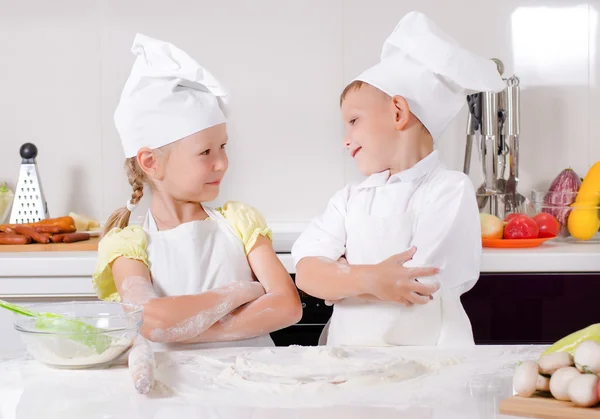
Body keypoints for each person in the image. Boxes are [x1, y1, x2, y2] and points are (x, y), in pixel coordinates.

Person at [292, 11, 506, 347]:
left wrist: (344, 276)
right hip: (349, 368)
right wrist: (371, 278)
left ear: (397, 112)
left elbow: (416, 283)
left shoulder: (449, 190)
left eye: (353, 120)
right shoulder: (350, 199)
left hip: (427, 368)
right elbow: (306, 273)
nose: (345, 139)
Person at [92, 33, 302, 348]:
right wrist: (237, 293)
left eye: (223, 147)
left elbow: (287, 307)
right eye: (206, 153)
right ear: (151, 162)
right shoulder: (127, 245)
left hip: (254, 385)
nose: (222, 163)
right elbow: (152, 320)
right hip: (177, 390)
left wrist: (190, 330)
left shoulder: (239, 223)